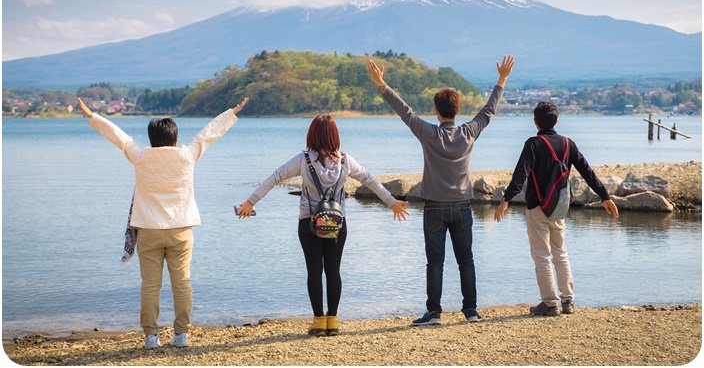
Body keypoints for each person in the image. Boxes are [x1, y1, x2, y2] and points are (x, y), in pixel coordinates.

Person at [77, 96, 249, 349]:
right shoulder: (187, 155)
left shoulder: (141, 156)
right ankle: (181, 335)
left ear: (152, 139)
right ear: (175, 138)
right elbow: (208, 134)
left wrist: (93, 116)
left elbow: (119, 137)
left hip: (149, 231)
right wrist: (231, 112)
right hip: (181, 230)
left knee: (150, 285)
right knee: (182, 283)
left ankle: (151, 337)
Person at [366, 55, 515, 325]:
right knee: (466, 260)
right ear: (457, 110)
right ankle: (471, 311)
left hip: (434, 206)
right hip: (462, 206)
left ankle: (434, 313)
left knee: (435, 261)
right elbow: (488, 111)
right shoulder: (469, 132)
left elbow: (405, 112)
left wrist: (382, 85)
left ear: (437, 111)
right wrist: (502, 79)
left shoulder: (429, 133)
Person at [236, 114, 410, 337]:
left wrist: (251, 201)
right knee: (333, 270)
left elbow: (276, 177)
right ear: (335, 136)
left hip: (309, 223)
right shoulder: (346, 160)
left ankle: (319, 321)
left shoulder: (304, 160)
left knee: (314, 271)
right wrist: (392, 202)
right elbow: (369, 180)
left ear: (312, 135)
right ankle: (333, 320)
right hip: (338, 224)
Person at [493, 101, 619, 316]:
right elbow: (587, 171)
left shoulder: (533, 144)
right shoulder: (568, 144)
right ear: (557, 120)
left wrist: (506, 199)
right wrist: (604, 196)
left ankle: (550, 303)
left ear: (535, 122)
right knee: (561, 252)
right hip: (559, 206)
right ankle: (568, 301)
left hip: (537, 206)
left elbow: (520, 174)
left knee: (542, 256)